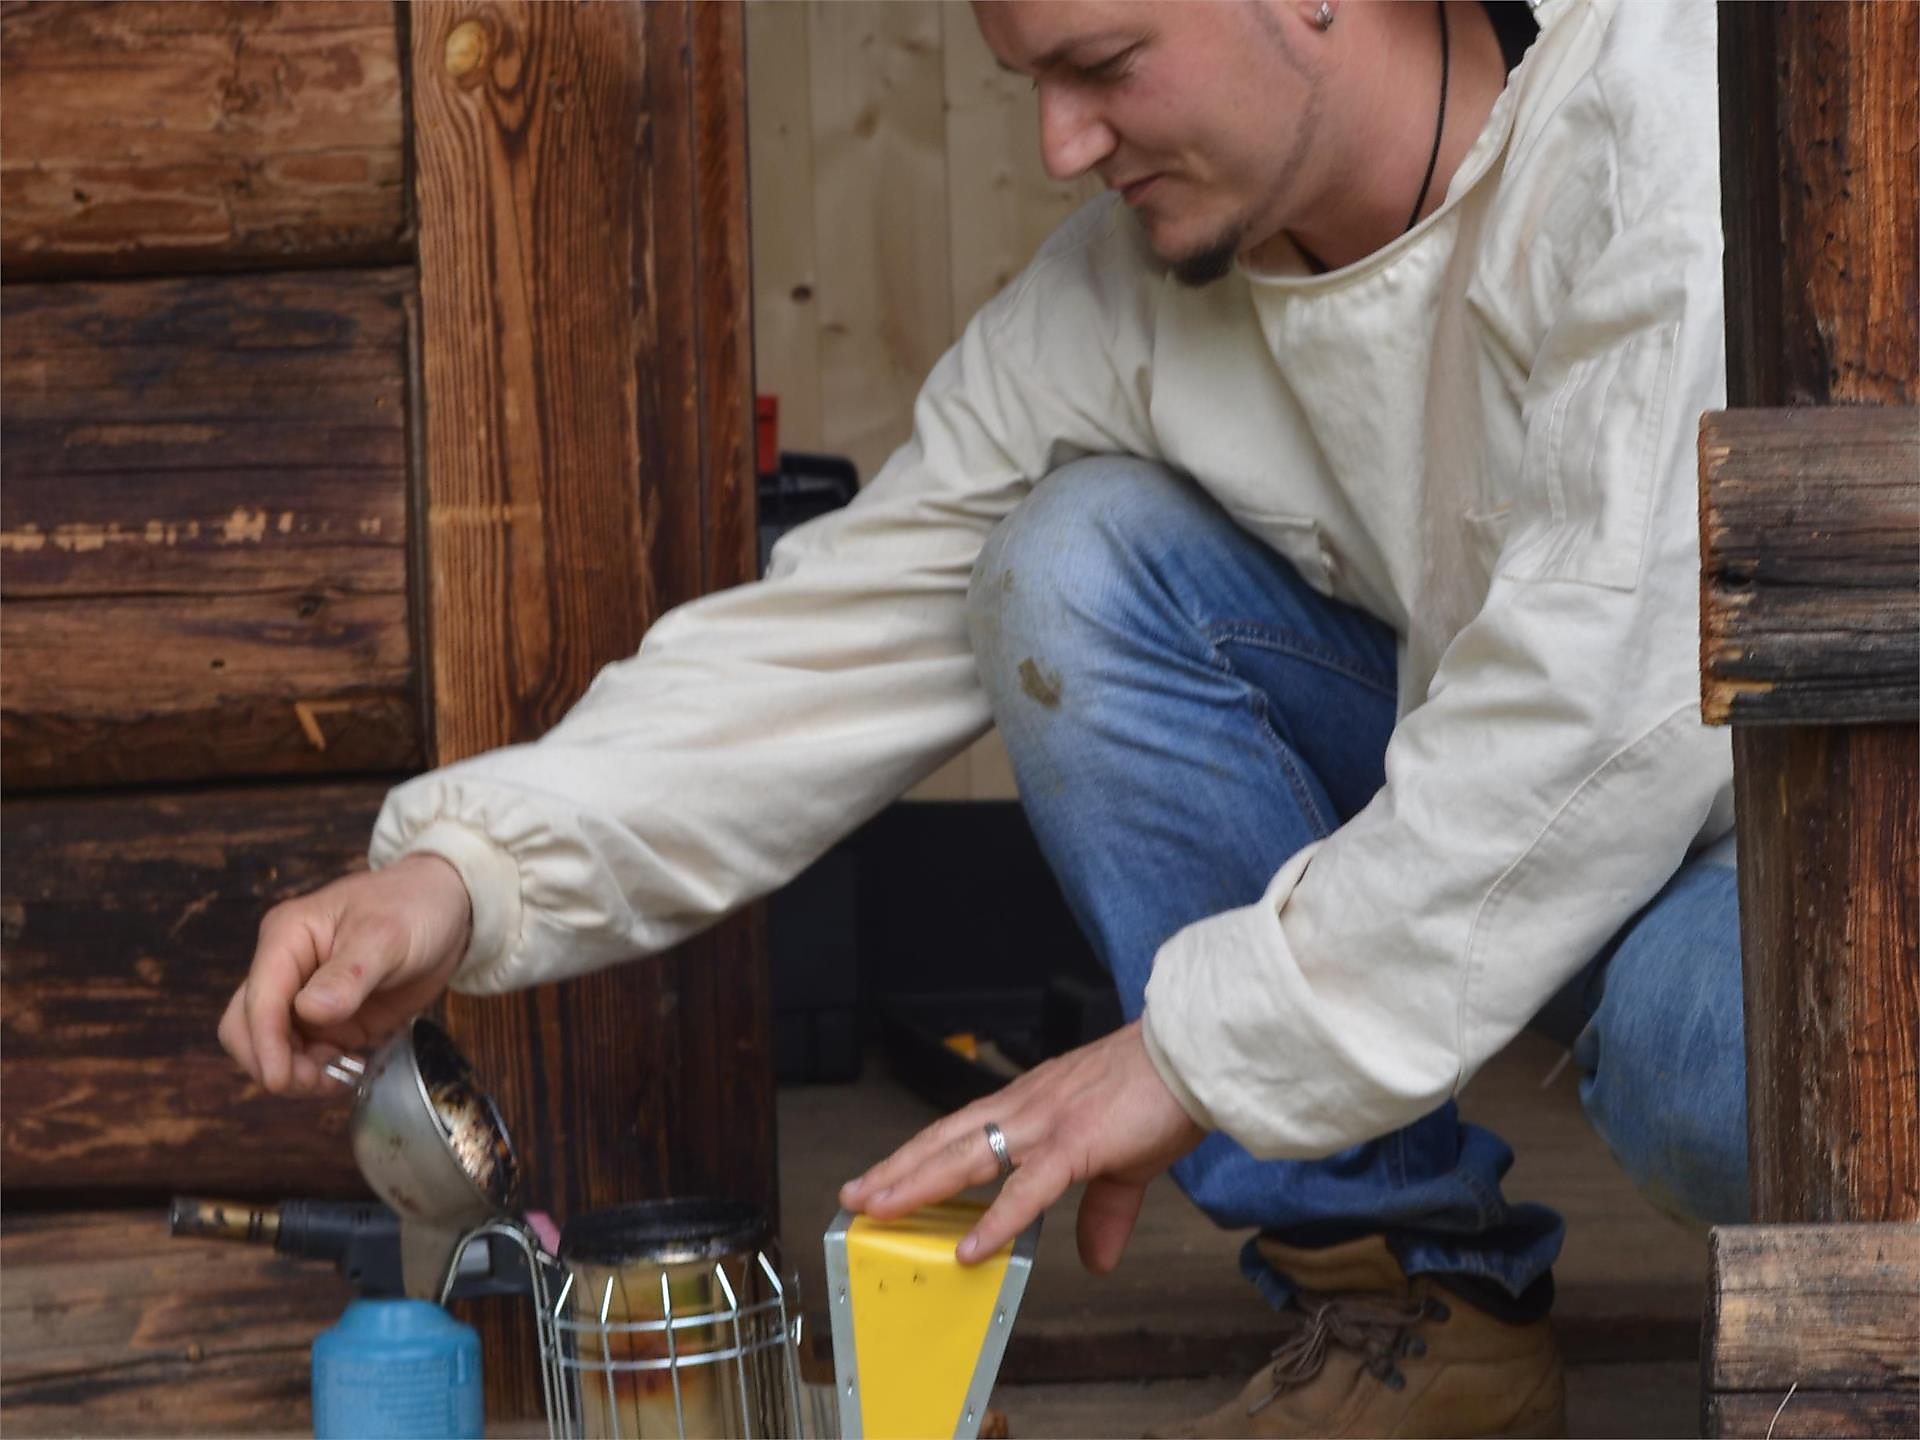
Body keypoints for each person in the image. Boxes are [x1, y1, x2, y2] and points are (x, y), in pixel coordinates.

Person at [221, 1, 1747, 1434]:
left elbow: (1606, 706)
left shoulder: (1669, 119)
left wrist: (1182, 1058)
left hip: (1781, 841)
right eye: (1033, 81)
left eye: (1106, 63)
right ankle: (1417, 1309)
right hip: (1510, 825)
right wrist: (466, 873)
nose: (1061, 145)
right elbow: (836, 637)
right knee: (1064, 561)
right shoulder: (1115, 297)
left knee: (1702, 1059)